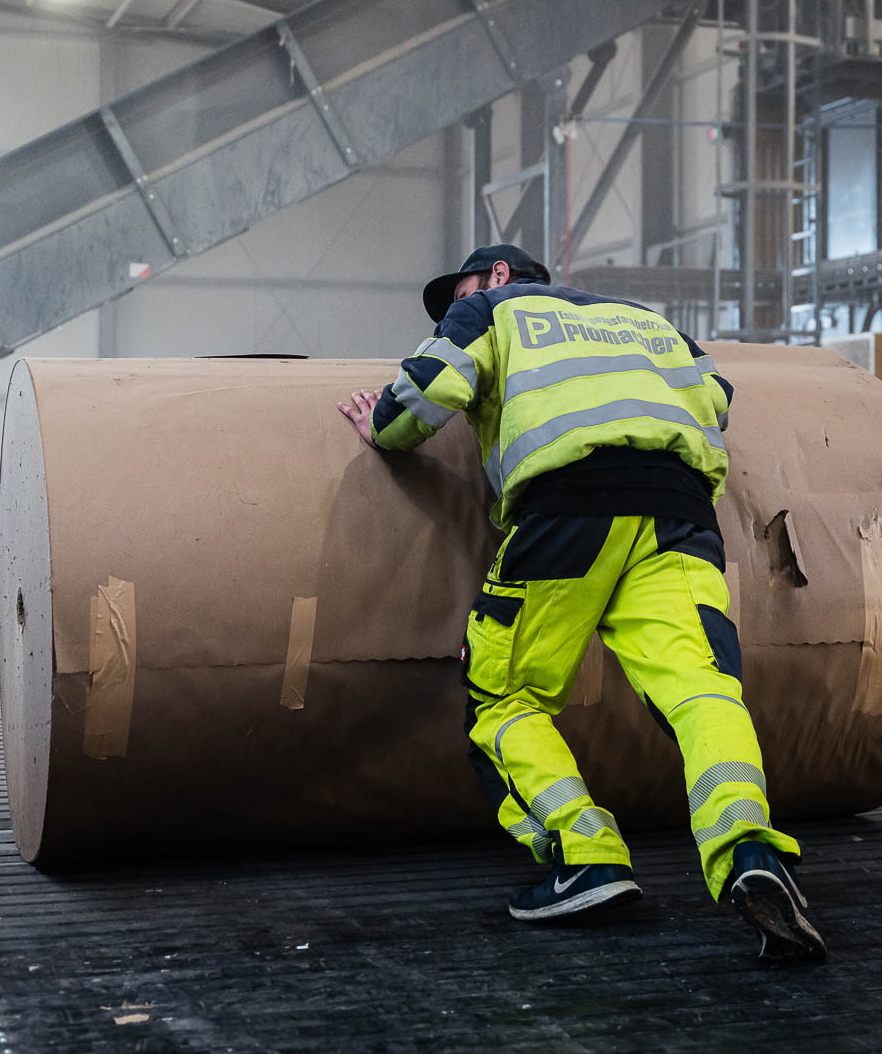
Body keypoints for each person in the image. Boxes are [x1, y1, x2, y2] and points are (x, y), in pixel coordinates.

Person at [334, 243, 826, 964]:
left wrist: (378, 425)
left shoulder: (491, 309)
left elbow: (430, 387)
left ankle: (587, 853)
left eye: (458, 291)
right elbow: (716, 398)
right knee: (702, 691)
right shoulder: (647, 321)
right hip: (682, 513)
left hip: (572, 508)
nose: (451, 306)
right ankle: (749, 846)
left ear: (498, 276)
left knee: (504, 697)